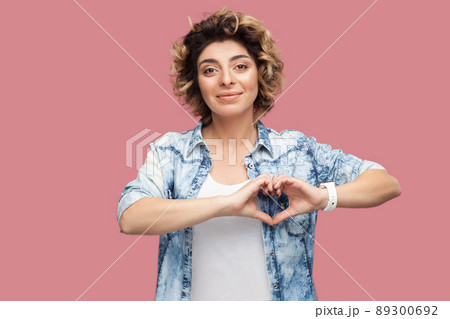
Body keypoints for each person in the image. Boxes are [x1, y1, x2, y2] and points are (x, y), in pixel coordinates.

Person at [116, 7, 401, 301]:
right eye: (210, 70)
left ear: (259, 74)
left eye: (240, 66)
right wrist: (225, 204)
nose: (226, 79)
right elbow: (130, 216)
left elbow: (386, 183)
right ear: (197, 83)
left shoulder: (296, 150)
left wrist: (322, 197)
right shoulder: (170, 151)